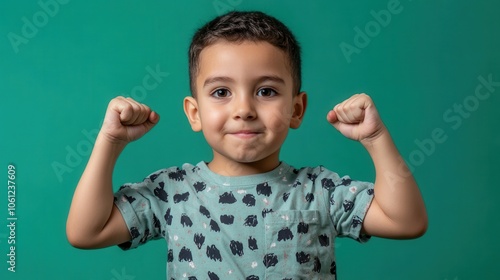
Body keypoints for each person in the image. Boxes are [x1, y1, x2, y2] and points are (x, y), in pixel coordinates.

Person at [66, 11, 427, 279]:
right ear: (195, 113)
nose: (244, 110)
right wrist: (110, 142)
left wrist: (376, 140)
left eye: (266, 91)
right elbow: (87, 231)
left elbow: (406, 221)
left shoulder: (321, 190)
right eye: (221, 92)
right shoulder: (171, 193)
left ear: (296, 110)